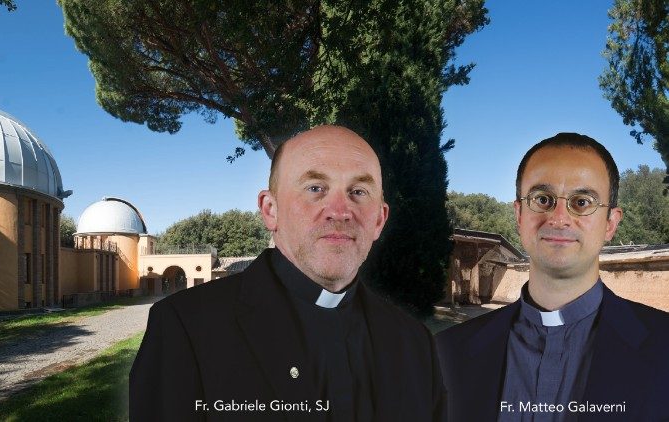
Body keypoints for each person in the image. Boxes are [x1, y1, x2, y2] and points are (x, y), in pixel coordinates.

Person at [130, 125, 445, 421]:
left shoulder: (416, 344)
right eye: (315, 188)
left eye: (358, 191)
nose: (340, 211)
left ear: (379, 219)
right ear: (270, 210)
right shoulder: (184, 328)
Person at [436, 133, 669, 422]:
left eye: (582, 202)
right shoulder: (443, 354)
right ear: (520, 215)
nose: (558, 218)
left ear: (611, 223)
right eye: (542, 199)